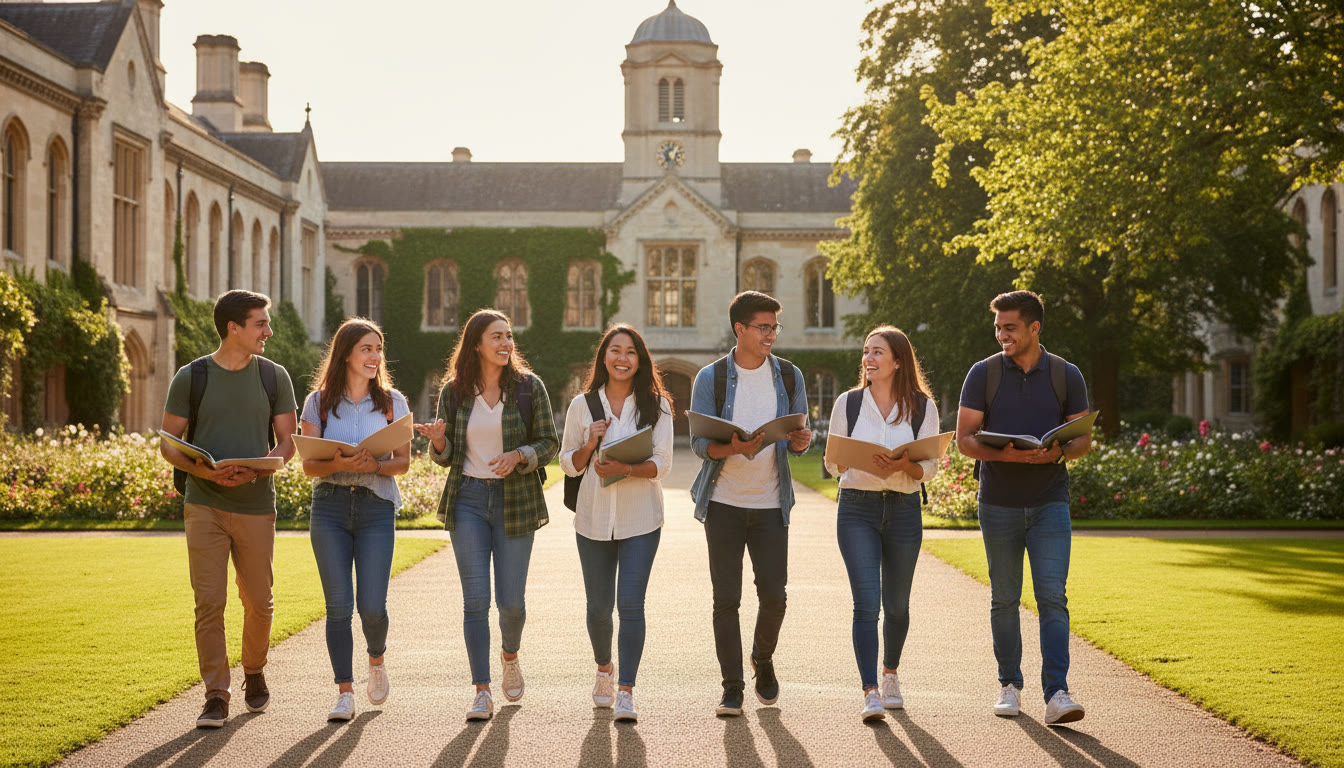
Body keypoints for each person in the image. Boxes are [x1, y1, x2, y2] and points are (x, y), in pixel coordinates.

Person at [159, 290, 298, 729]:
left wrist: (256, 472)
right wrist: (207, 473)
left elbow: (287, 444)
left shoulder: (274, 377)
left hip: (257, 504)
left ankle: (253, 669)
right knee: (210, 602)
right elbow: (168, 444)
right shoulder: (191, 376)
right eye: (261, 323)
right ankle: (216, 695)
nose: (268, 332)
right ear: (233, 328)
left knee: (259, 601)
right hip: (204, 503)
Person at [955, 290, 1091, 725]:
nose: (1001, 335)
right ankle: (1009, 685)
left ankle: (1057, 694)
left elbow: (1083, 438)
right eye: (997, 328)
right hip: (998, 502)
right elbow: (965, 440)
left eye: (1009, 327)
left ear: (1035, 328)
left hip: (1051, 500)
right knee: (1005, 599)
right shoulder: (983, 374)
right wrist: (1011, 455)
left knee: (1053, 597)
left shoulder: (1067, 375)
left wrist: (1057, 454)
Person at [415, 309, 559, 721]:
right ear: (476, 343)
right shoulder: (454, 391)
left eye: (509, 336)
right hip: (469, 500)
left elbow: (549, 441)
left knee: (511, 604)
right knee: (475, 601)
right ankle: (481, 690)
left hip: (516, 499)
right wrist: (440, 443)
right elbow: (445, 459)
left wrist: (520, 455)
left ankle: (509, 654)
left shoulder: (530, 388)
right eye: (496, 336)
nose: (505, 343)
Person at [688, 290, 811, 717]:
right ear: (739, 329)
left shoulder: (791, 376)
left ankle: (762, 658)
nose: (771, 335)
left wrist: (801, 441)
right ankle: (732, 686)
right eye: (763, 327)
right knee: (727, 600)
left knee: (774, 596)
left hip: (771, 504)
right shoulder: (711, 378)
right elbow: (700, 444)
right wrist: (734, 449)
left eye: (775, 327)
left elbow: (798, 439)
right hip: (723, 503)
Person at [824, 326, 941, 722]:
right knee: (866, 604)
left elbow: (930, 466)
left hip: (904, 510)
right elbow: (832, 461)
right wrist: (849, 460)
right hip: (857, 507)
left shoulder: (923, 407)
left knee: (897, 605)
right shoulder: (849, 403)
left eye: (877, 352)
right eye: (866, 351)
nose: (868, 359)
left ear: (897, 361)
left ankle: (890, 674)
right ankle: (870, 690)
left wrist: (903, 464)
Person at [559, 324, 674, 723]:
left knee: (631, 605)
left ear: (640, 360)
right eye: (615, 350)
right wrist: (590, 444)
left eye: (631, 352)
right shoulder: (583, 406)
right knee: (597, 609)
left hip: (642, 518)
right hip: (592, 519)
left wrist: (624, 466)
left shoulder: (657, 406)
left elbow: (663, 464)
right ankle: (604, 669)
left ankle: (626, 690)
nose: (622, 358)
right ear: (603, 357)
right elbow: (567, 465)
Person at [298, 318, 411, 721]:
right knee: (338, 607)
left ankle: (376, 659)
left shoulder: (394, 401)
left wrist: (374, 464)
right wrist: (338, 461)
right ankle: (344, 692)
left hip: (375, 507)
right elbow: (309, 465)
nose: (375, 356)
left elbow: (402, 464)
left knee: (372, 607)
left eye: (378, 348)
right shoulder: (319, 402)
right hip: (328, 507)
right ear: (346, 353)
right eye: (366, 348)